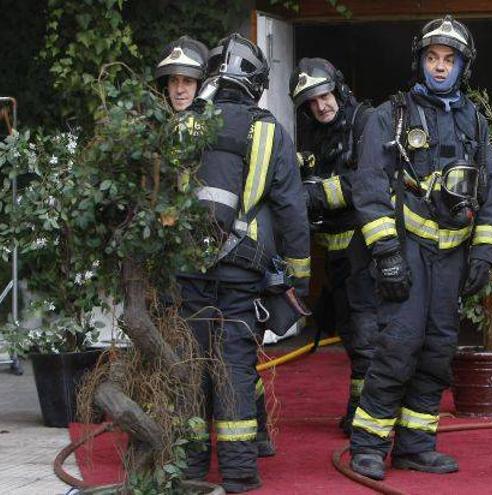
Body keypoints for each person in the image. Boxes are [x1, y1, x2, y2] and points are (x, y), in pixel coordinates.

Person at [347, 15, 492, 480]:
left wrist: (485, 252)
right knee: (398, 347)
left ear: (462, 67)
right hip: (407, 250)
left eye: (448, 60)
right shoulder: (390, 116)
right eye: (432, 58)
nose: (439, 67)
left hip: (452, 257)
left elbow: (489, 190)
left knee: (437, 351)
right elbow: (370, 187)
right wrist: (387, 253)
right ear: (420, 61)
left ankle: (415, 444)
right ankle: (368, 445)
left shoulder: (475, 122)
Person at [177, 33, 310, 493]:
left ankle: (191, 468)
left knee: (191, 362)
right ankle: (237, 471)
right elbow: (291, 208)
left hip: (188, 269)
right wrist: (299, 277)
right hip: (241, 270)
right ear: (254, 81)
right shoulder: (269, 129)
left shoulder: (187, 123)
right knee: (233, 363)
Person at [157, 35, 275, 459]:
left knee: (208, 361)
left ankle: (204, 460)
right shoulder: (261, 129)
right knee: (228, 363)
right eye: (172, 82)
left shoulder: (197, 130)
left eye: (187, 81)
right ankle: (242, 457)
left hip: (207, 266)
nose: (179, 90)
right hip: (217, 269)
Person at [289, 57, 377, 435]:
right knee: (349, 330)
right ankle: (359, 410)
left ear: (338, 90)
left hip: (365, 249)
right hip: (334, 254)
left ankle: (370, 414)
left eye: (325, 96)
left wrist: (308, 194)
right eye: (312, 101)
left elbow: (364, 183)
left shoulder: (365, 124)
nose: (321, 106)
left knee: (365, 334)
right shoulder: (315, 133)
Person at [155, 36, 209, 112]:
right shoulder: (157, 121)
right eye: (173, 80)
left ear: (201, 86)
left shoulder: (217, 121)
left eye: (188, 81)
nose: (179, 90)